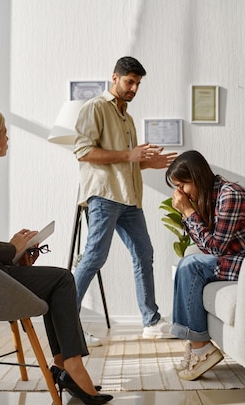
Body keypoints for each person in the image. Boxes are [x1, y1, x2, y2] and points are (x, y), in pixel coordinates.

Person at [0, 107, 112, 405]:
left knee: (58, 281)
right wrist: (10, 249)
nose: (7, 137)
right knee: (63, 278)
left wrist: (13, 256)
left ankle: (65, 365)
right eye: (3, 132)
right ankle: (72, 366)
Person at [73, 56, 177, 345]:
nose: (133, 88)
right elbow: (83, 152)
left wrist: (146, 164)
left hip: (130, 199)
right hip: (105, 196)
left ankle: (151, 321)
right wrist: (131, 156)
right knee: (94, 257)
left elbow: (124, 161)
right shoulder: (94, 108)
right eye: (130, 81)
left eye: (138, 83)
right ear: (115, 78)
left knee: (144, 254)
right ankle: (67, 324)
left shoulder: (127, 117)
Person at [164, 150, 245, 381]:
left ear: (197, 177)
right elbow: (207, 245)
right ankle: (197, 345)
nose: (180, 192)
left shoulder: (230, 195)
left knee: (191, 265)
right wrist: (189, 212)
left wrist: (189, 212)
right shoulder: (212, 197)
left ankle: (201, 348)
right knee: (190, 263)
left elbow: (215, 248)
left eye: (183, 184)